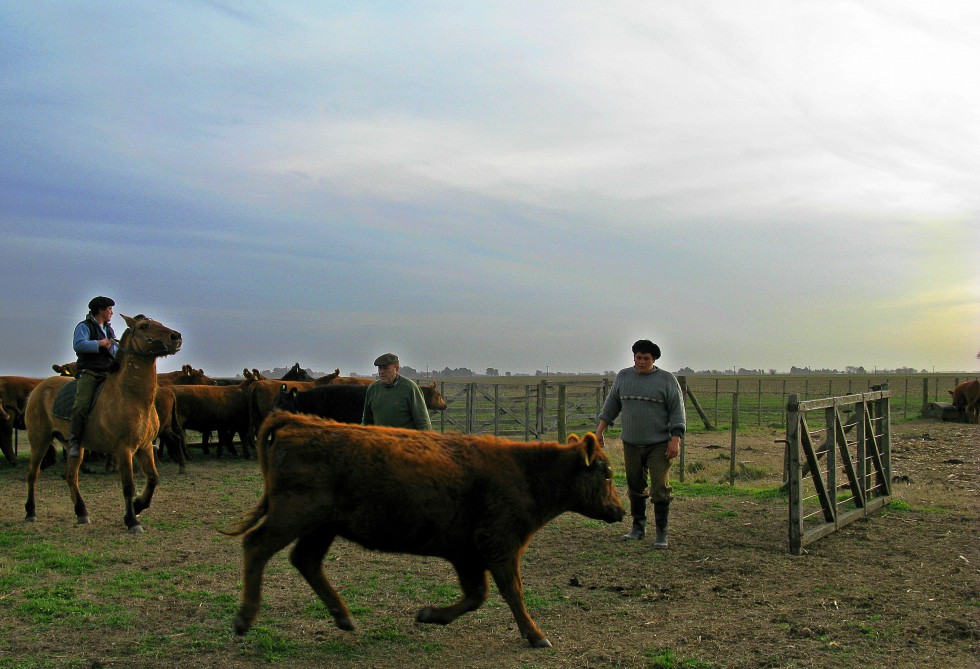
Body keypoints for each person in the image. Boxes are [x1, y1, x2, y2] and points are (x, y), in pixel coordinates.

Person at [596, 339, 686, 548]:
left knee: (659, 487)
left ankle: (661, 533)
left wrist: (676, 439)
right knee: (635, 485)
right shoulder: (624, 377)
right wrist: (599, 431)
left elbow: (677, 412)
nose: (642, 362)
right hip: (631, 443)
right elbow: (611, 406)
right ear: (634, 357)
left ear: (653, 359)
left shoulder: (666, 380)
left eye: (646, 358)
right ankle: (638, 527)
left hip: (659, 444)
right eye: (638, 357)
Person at [67, 296, 120, 458]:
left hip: (108, 373)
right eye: (109, 309)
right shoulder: (84, 326)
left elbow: (115, 351)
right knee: (81, 404)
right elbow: (79, 344)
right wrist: (99, 343)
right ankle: (75, 440)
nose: (112, 312)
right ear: (101, 310)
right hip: (89, 372)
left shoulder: (109, 330)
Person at [362, 353, 432, 430]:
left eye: (385, 368)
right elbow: (366, 422)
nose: (381, 371)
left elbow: (423, 423)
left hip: (404, 440)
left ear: (397, 368)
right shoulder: (373, 389)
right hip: (380, 440)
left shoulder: (410, 388)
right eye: (379, 368)